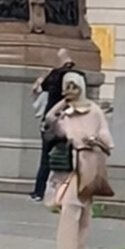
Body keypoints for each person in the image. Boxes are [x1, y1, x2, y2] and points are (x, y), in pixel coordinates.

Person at [42, 70, 113, 249]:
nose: (70, 90)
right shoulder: (65, 111)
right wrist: (63, 102)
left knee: (81, 210)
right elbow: (48, 119)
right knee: (71, 207)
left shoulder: (94, 111)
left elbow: (106, 136)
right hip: (69, 164)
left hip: (87, 162)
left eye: (74, 86)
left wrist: (94, 141)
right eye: (67, 86)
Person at [29, 45, 74, 200]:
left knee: (46, 157)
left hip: (51, 121)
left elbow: (36, 89)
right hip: (69, 119)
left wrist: (41, 78)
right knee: (68, 157)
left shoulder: (54, 75)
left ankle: (39, 191)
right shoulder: (76, 77)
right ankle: (65, 190)